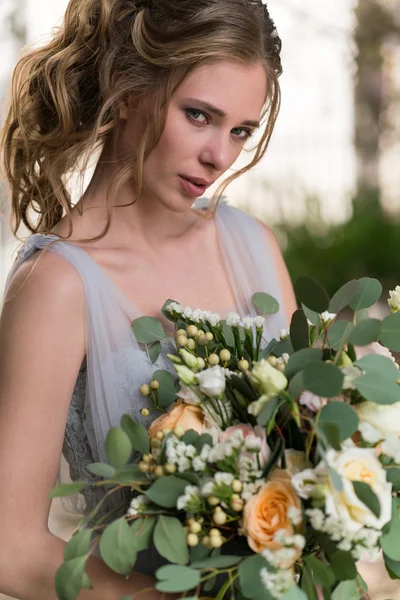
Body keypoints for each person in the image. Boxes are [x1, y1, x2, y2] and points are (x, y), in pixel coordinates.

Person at [0, 0, 297, 598]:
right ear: (130, 89)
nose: (220, 156)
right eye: (198, 115)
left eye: (240, 130)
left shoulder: (253, 245)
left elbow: (303, 453)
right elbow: (9, 547)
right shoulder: (57, 287)